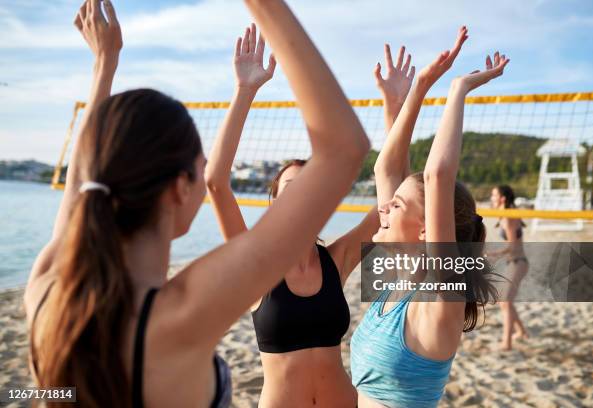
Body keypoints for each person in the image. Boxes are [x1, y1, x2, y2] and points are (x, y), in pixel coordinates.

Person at [23, 0, 370, 407]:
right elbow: (345, 146)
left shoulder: (47, 288)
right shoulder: (180, 314)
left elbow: (82, 186)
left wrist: (104, 66)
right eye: (200, 169)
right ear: (178, 189)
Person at [204, 23, 414, 408]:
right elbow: (216, 181)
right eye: (290, 189)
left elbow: (396, 192)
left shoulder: (337, 259)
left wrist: (394, 110)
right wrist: (244, 91)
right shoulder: (255, 266)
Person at [350, 26, 509, 408]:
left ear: (427, 229)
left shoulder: (441, 296)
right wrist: (417, 89)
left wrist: (457, 90)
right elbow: (386, 170)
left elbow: (438, 176)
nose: (383, 208)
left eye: (397, 205)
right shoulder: (396, 278)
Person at [490, 185, 529, 351]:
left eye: (494, 195)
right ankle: (521, 332)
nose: (492, 198)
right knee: (504, 301)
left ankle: (507, 343)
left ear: (502, 198)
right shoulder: (506, 214)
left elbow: (512, 247)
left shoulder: (508, 217)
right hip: (513, 262)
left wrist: (493, 254)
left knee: (505, 301)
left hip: (518, 262)